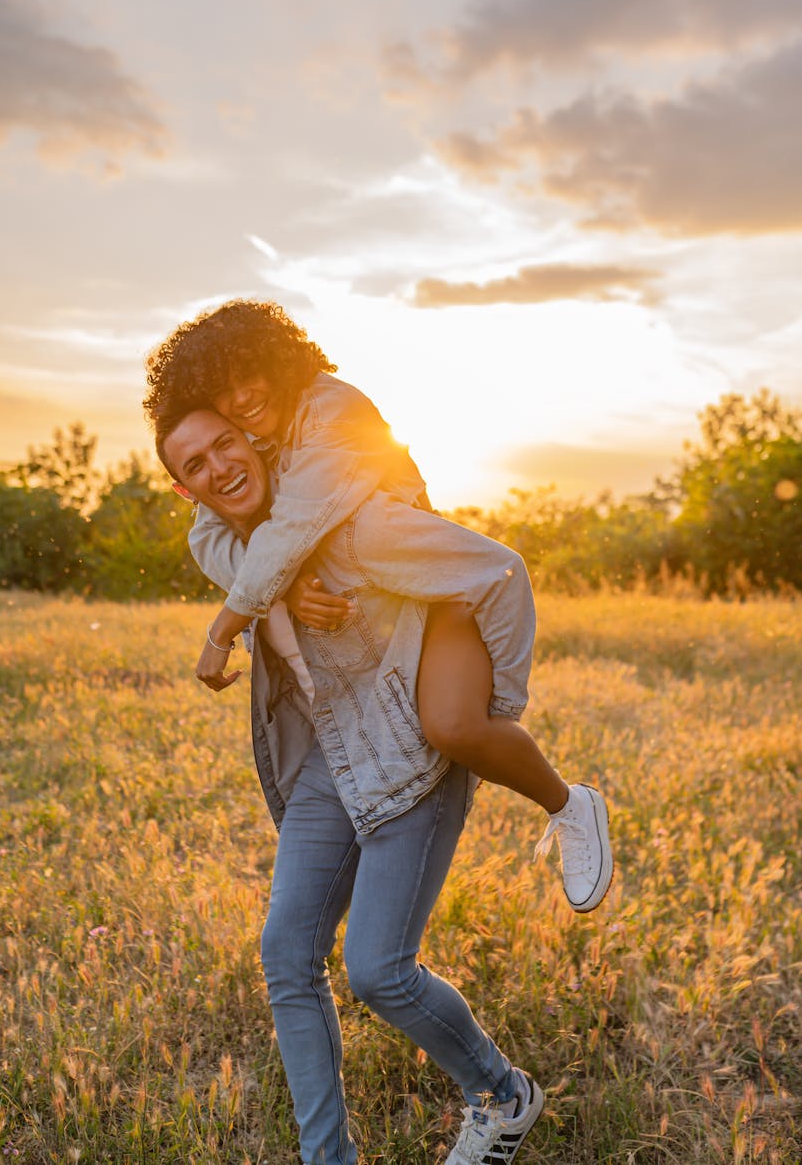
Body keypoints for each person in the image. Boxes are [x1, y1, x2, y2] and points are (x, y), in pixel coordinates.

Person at [159, 404, 551, 1165]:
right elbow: (253, 558)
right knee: (286, 955)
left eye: (225, 445)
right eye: (194, 466)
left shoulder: (353, 514)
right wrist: (278, 586)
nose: (218, 469)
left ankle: (503, 1096)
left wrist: (489, 712)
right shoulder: (219, 539)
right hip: (325, 765)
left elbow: (485, 568)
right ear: (183, 490)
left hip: (405, 749)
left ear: (256, 438)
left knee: (378, 972)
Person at [144, 299, 613, 914]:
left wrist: (225, 626)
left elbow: (293, 526)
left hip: (431, 595)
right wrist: (282, 589)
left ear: (277, 358)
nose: (240, 398)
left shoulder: (335, 414)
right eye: (220, 393)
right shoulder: (253, 438)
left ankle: (570, 806)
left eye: (248, 372)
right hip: (379, 621)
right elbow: (209, 531)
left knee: (454, 727)